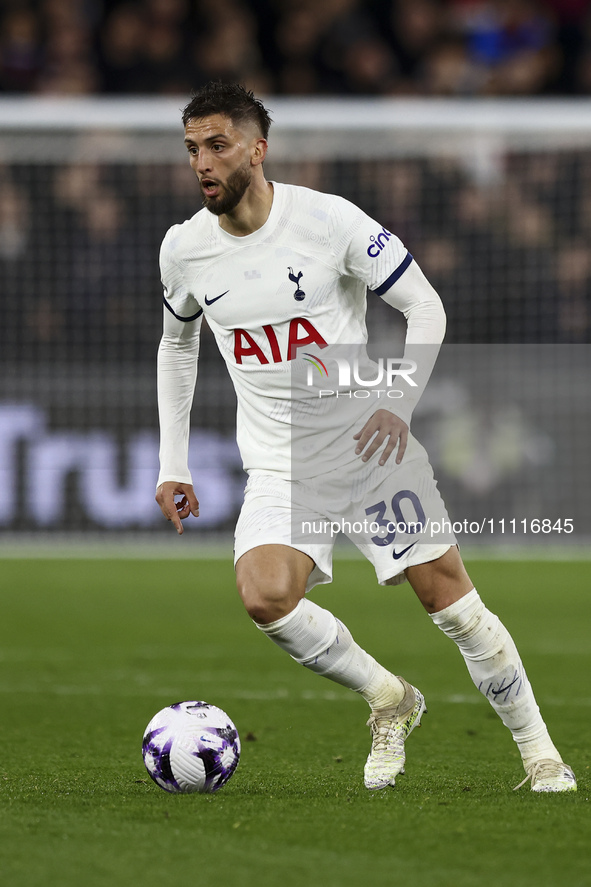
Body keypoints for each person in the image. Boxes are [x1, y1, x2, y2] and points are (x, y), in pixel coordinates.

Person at [155, 81, 576, 793]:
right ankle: (389, 697)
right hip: (282, 465)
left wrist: (398, 404)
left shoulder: (327, 221)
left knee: (453, 606)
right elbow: (176, 346)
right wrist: (174, 462)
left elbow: (425, 307)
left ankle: (540, 754)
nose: (202, 162)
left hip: (367, 449)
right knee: (264, 596)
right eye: (193, 147)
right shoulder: (184, 249)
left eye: (217, 145)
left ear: (257, 150)